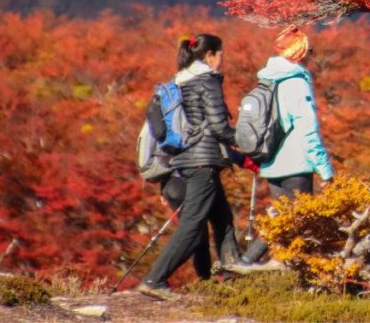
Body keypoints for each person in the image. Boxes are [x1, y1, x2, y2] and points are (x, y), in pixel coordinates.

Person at [136, 33, 247, 300]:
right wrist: (246, 141)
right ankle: (155, 279)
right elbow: (219, 127)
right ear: (210, 56)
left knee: (223, 219)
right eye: (220, 55)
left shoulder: (182, 82)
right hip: (202, 160)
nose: (221, 61)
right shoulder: (206, 81)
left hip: (188, 158)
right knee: (193, 224)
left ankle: (234, 276)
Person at [238, 27, 334, 266]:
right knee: (301, 223)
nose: (311, 55)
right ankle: (258, 264)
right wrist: (324, 169)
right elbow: (307, 131)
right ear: (299, 52)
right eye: (308, 50)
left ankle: (249, 262)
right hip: (296, 164)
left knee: (283, 220)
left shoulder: (269, 80)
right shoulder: (296, 83)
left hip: (271, 163)